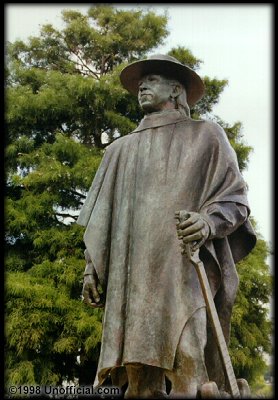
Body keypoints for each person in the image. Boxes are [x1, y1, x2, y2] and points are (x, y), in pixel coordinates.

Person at [77, 54, 256, 398]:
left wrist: (207, 221)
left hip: (182, 271)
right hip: (132, 281)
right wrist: (91, 270)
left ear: (176, 90)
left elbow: (236, 199)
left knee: (190, 365)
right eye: (141, 82)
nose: (142, 85)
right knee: (137, 378)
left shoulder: (206, 136)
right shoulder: (119, 150)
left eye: (153, 80)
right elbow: (102, 219)